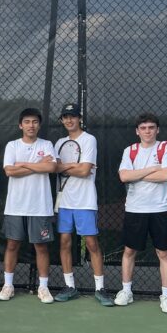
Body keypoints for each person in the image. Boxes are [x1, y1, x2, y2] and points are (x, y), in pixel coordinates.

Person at [116, 113, 167, 314]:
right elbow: (124, 176)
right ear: (137, 131)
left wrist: (138, 175)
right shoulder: (130, 151)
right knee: (129, 251)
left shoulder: (165, 148)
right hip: (135, 209)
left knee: (163, 253)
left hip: (160, 210)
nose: (147, 131)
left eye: (151, 127)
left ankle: (166, 297)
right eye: (143, 128)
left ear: (157, 130)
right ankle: (126, 291)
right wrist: (152, 169)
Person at [52, 103, 113, 306]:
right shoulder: (59, 142)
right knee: (64, 243)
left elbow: (85, 171)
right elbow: (53, 168)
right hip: (64, 202)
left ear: (79, 119)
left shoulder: (89, 140)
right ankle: (70, 286)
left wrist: (65, 167)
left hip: (85, 201)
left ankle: (100, 288)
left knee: (91, 244)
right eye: (65, 117)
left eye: (73, 116)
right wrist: (73, 166)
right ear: (61, 120)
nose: (69, 120)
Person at [0, 108, 57, 304]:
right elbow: (9, 171)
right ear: (20, 125)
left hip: (40, 206)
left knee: (41, 246)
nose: (31, 125)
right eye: (27, 122)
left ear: (39, 125)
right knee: (12, 244)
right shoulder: (12, 145)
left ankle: (43, 287)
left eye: (34, 122)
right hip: (15, 206)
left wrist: (22, 164)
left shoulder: (47, 144)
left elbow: (50, 167)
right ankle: (8, 285)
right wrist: (37, 164)